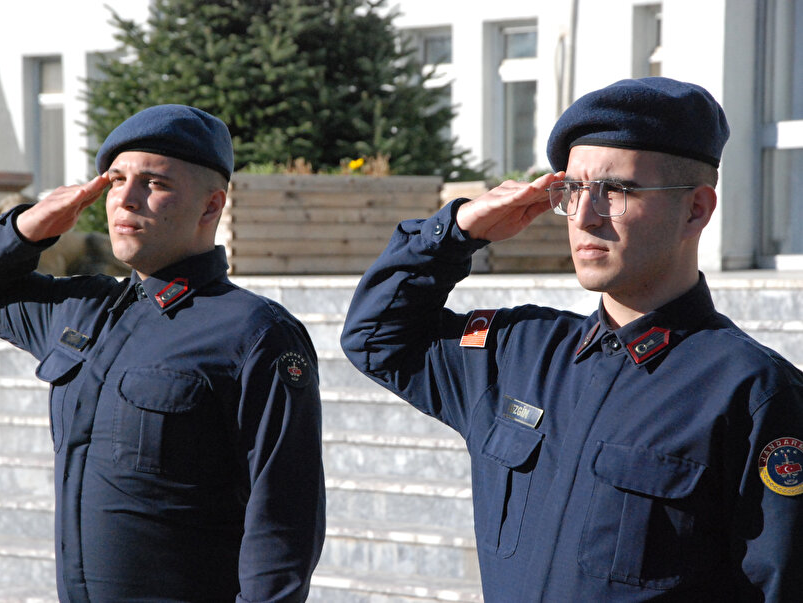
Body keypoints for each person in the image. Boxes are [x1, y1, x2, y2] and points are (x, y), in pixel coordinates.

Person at [341, 77, 803, 601]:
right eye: (573, 191)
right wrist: (457, 232)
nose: (583, 216)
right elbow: (376, 338)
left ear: (696, 209)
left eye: (615, 191)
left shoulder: (750, 391)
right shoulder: (519, 353)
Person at [0, 104, 325, 602]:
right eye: (116, 181)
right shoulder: (84, 310)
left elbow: (284, 521)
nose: (125, 200)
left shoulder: (255, 333)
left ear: (211, 206)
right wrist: (29, 225)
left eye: (154, 183)